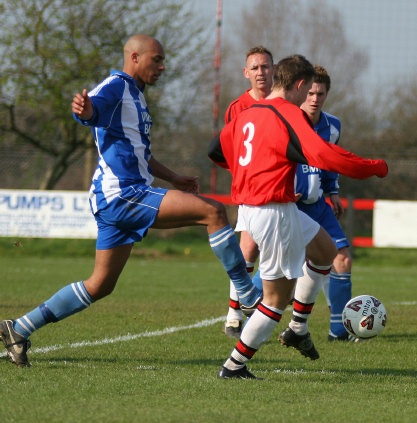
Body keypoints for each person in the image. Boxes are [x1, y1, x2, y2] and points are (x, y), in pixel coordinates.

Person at [0, 34, 260, 368]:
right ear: (134, 57)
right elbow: (93, 106)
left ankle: (19, 327)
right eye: (157, 59)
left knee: (99, 285)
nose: (162, 67)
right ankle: (248, 295)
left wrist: (174, 179)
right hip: (123, 194)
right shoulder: (117, 85)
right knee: (213, 212)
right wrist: (86, 110)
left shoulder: (135, 95)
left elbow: (139, 153)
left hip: (117, 196)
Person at [208, 54, 387, 379]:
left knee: (325, 251)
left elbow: (215, 150)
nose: (309, 99)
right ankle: (234, 366)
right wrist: (372, 168)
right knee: (276, 301)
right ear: (300, 84)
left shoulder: (251, 112)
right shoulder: (287, 113)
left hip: (268, 207)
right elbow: (324, 155)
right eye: (308, 92)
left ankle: (299, 328)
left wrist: (247, 172)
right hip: (273, 211)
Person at [294, 65, 358, 342]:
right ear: (301, 91)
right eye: (309, 92)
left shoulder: (332, 126)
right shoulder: (287, 121)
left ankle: (339, 331)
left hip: (318, 206)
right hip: (289, 206)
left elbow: (330, 163)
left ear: (326, 94)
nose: (314, 98)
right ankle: (244, 310)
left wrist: (333, 192)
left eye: (320, 93)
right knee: (279, 270)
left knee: (341, 259)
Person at [222, 46, 275, 338]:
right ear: (246, 73)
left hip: (279, 191)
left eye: (265, 66)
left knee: (274, 254)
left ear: (273, 69)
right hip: (251, 191)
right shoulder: (237, 107)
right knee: (248, 249)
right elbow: (231, 150)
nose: (260, 72)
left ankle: (266, 312)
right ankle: (234, 313)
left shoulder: (283, 103)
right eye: (254, 68)